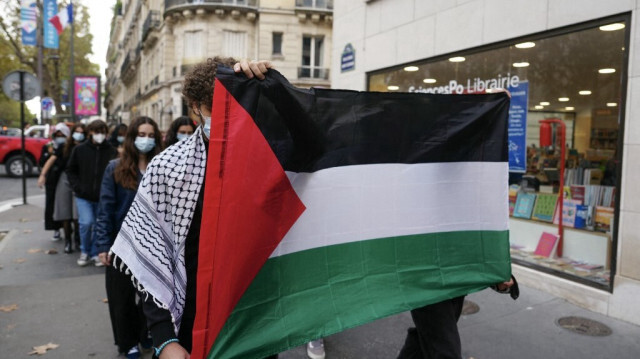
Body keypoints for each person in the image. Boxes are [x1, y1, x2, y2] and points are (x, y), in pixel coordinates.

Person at [110, 58, 275, 359]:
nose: (228, 116)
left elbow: (319, 149)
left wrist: (274, 86)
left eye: (236, 106)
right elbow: (153, 256)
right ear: (196, 106)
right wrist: (163, 339)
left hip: (257, 319)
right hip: (191, 321)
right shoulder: (166, 167)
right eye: (218, 107)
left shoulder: (272, 159)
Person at [95, 116, 163, 359]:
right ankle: (128, 343)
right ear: (132, 138)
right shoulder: (115, 168)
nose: (146, 139)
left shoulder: (162, 165)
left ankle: (145, 333)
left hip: (154, 246)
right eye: (141, 135)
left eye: (150, 135)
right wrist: (103, 245)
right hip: (120, 245)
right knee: (121, 299)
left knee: (152, 298)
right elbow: (105, 209)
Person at [66, 120, 118, 266]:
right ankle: (84, 251)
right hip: (83, 195)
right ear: (90, 132)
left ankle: (96, 252)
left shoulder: (111, 150)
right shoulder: (80, 150)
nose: (99, 135)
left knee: (98, 224)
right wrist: (78, 187)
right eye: (96, 132)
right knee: (86, 223)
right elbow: (71, 170)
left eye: (102, 132)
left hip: (103, 196)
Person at [37, 123, 68, 242]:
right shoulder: (49, 146)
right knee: (51, 205)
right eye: (58, 135)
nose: (60, 137)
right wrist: (49, 153)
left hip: (64, 180)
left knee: (64, 206)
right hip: (52, 180)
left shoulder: (68, 147)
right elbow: (42, 162)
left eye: (63, 135)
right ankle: (55, 229)